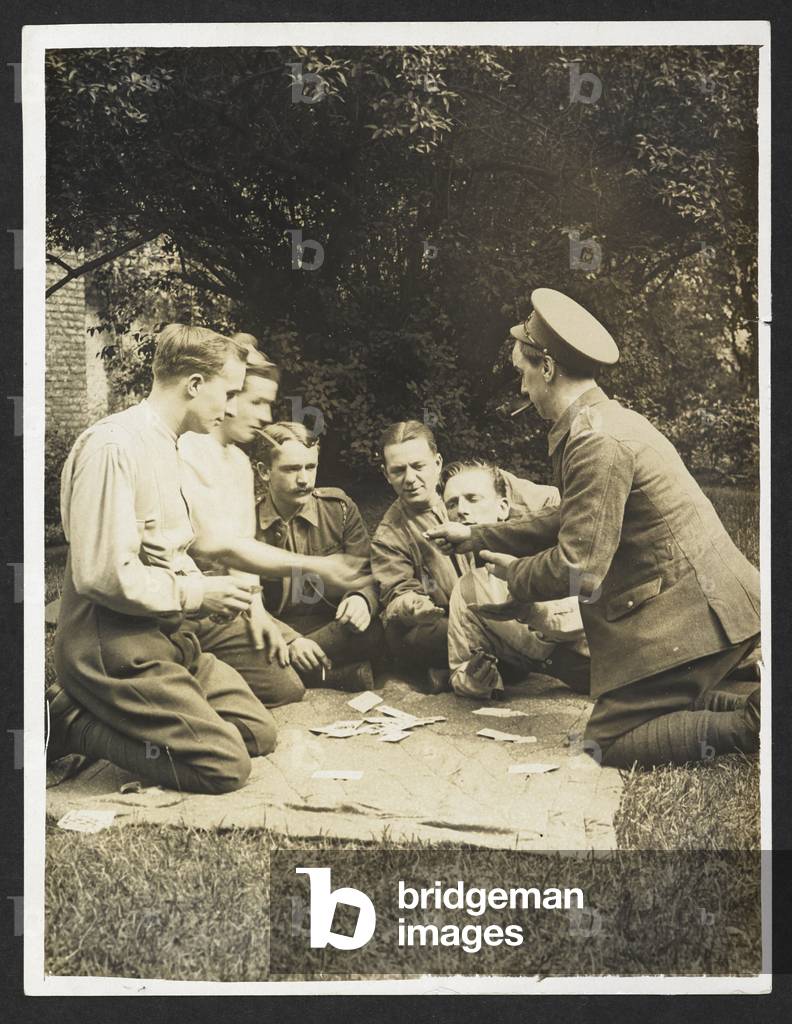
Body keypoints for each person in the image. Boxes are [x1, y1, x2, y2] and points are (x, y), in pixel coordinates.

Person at [426, 288, 761, 768]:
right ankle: (756, 704)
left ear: (547, 368)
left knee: (608, 740)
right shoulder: (602, 422)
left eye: (523, 374)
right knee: (642, 710)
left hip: (696, 615)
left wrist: (513, 577)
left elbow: (578, 569)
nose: (522, 389)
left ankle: (758, 723)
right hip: (701, 602)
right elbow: (572, 517)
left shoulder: (595, 442)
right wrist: (477, 536)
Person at [48, 324, 278, 794]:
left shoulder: (167, 441)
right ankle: (69, 721)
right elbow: (100, 575)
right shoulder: (114, 447)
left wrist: (209, 590)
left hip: (164, 633)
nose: (234, 408)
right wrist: (197, 592)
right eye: (230, 393)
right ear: (194, 384)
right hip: (109, 644)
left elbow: (165, 549)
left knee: (258, 733)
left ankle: (119, 713)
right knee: (224, 766)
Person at [370, 420, 558, 692]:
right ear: (386, 474)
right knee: (410, 637)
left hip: (501, 599)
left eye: (418, 466)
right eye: (398, 470)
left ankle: (470, 669)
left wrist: (511, 532)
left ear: (437, 462)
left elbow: (553, 503)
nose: (410, 479)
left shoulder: (471, 482)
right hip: (449, 619)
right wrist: (413, 605)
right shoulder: (390, 534)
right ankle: (497, 662)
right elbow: (397, 592)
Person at [442, 460, 590, 699]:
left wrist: (531, 611)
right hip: (566, 690)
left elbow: (590, 614)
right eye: (452, 503)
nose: (461, 510)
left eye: (473, 498)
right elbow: (460, 667)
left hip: (623, 668)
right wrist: (476, 680)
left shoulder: (552, 553)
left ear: (502, 508)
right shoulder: (467, 588)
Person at [254, 422, 382, 691]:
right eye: (291, 469)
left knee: (378, 629)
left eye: (310, 467)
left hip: (333, 626)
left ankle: (311, 671)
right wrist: (290, 639)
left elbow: (366, 573)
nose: (304, 480)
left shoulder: (339, 508)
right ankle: (337, 676)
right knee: (248, 649)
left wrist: (360, 599)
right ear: (264, 472)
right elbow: (247, 604)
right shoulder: (246, 522)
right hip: (278, 627)